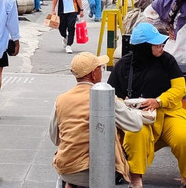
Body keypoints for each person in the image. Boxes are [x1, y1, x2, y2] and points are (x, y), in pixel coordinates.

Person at [108, 23, 186, 188]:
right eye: (157, 44)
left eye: (161, 43)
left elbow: (180, 89)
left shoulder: (167, 60)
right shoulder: (123, 65)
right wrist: (125, 103)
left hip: (168, 113)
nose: (161, 47)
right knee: (135, 135)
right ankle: (136, 178)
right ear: (144, 47)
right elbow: (112, 96)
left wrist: (158, 101)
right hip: (138, 117)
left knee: (185, 138)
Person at [49, 52, 143, 187]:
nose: (101, 72)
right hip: (99, 171)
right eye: (100, 68)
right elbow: (136, 124)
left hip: (66, 169)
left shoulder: (61, 99)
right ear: (93, 74)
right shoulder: (106, 96)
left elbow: (54, 138)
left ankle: (69, 184)